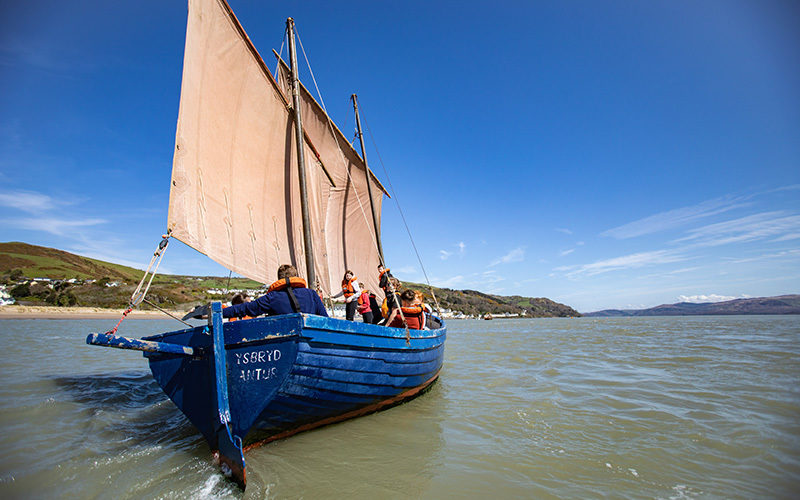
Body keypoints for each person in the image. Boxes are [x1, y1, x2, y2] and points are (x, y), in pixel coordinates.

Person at [222, 264, 328, 319]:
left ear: (279, 279)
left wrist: (220, 313)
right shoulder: (312, 294)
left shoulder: (272, 297)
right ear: (295, 276)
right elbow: (325, 318)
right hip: (311, 339)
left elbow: (246, 308)